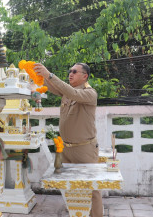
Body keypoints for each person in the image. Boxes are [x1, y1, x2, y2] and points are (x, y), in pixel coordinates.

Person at [34, 62, 102, 217]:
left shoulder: (90, 93)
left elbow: (71, 93)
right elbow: (53, 86)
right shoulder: (67, 91)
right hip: (67, 149)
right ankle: (77, 213)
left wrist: (49, 74)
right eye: (70, 70)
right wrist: (36, 74)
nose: (70, 73)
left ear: (85, 76)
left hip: (84, 149)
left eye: (75, 71)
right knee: (70, 186)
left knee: (92, 187)